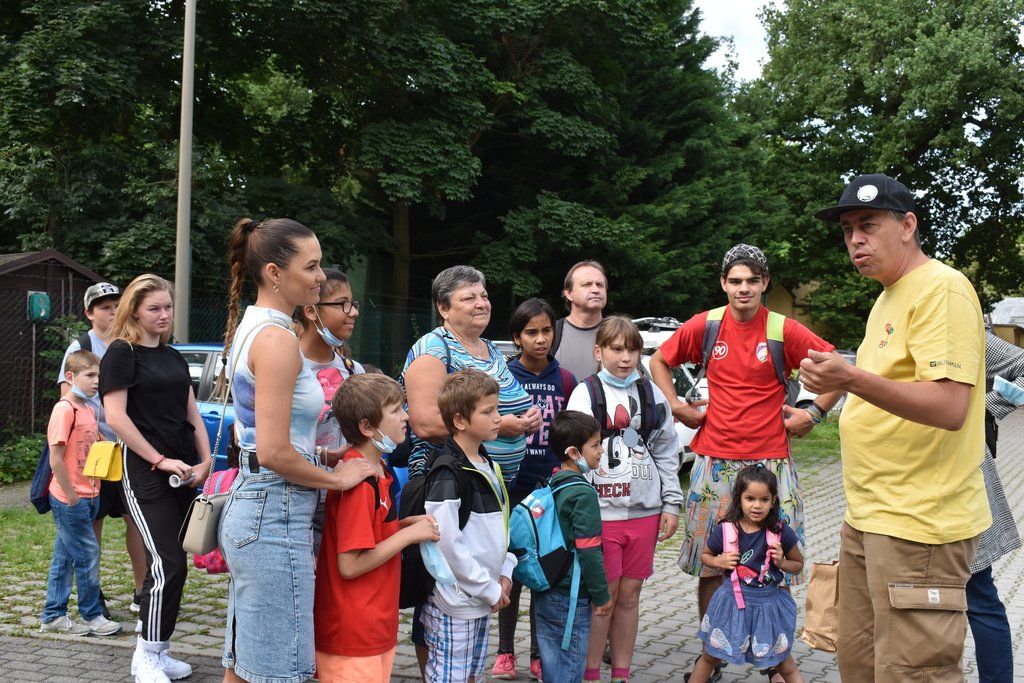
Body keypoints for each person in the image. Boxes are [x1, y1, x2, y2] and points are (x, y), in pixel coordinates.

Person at [801, 173, 990, 682]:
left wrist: (850, 378)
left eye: (868, 225)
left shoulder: (942, 289)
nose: (855, 240)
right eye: (847, 230)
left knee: (911, 673)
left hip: (918, 525)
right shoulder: (889, 296)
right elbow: (874, 377)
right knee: (861, 665)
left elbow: (950, 405)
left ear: (907, 226)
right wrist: (815, 410)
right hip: (870, 515)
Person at [648, 243, 840, 680]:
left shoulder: (783, 329)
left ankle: (773, 659)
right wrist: (674, 404)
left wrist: (814, 413)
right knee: (711, 563)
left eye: (753, 280)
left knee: (775, 561)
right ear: (723, 283)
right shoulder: (706, 325)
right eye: (735, 281)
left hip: (770, 463)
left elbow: (837, 369)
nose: (744, 288)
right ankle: (711, 656)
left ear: (765, 283)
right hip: (714, 462)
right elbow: (659, 361)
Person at [217, 218, 376, 683]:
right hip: (275, 511)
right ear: (274, 273)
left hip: (261, 503)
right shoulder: (277, 339)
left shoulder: (257, 325)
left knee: (243, 666)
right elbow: (273, 452)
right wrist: (337, 478)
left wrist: (325, 458)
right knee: (281, 668)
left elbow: (270, 440)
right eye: (311, 266)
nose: (321, 277)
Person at [401, 265, 541, 672]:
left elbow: (496, 402)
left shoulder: (488, 348)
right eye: (469, 297)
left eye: (483, 295)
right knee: (441, 583)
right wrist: (503, 427)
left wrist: (523, 420)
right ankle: (436, 671)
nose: (481, 303)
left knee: (476, 568)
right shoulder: (433, 349)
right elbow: (426, 423)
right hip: (450, 482)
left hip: (489, 482)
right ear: (444, 308)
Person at [101, 274, 212, 682]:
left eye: (167, 307)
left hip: (184, 472)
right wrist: (159, 459)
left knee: (170, 565)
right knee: (168, 562)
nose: (164, 315)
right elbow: (116, 418)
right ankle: (146, 656)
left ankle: (156, 650)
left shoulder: (173, 356)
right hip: (145, 473)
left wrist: (206, 460)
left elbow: (192, 413)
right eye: (154, 308)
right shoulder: (121, 353)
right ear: (134, 311)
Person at [566, 316, 684, 683]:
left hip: (644, 513)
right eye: (616, 349)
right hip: (601, 514)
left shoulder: (652, 394)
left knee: (630, 595)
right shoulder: (586, 393)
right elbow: (574, 455)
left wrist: (671, 503)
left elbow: (667, 450)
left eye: (633, 350)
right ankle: (590, 674)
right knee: (604, 597)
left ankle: (621, 673)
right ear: (598, 352)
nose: (625, 358)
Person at [313, 374, 440, 683]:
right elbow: (350, 564)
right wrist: (408, 535)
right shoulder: (360, 483)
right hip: (353, 632)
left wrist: (403, 525)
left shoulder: (378, 469)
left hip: (374, 625)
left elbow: (371, 533)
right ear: (367, 427)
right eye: (395, 410)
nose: (406, 416)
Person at [494, 297, 578, 681]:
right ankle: (504, 651)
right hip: (511, 487)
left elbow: (570, 431)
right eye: (531, 332)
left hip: (548, 490)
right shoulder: (504, 376)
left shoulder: (566, 380)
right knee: (510, 567)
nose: (541, 339)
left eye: (546, 331)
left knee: (545, 570)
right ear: (517, 337)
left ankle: (539, 654)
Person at [422, 369, 518, 683]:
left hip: (481, 598)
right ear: (460, 420)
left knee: (471, 675)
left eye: (497, 409)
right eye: (488, 411)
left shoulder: (487, 464)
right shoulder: (449, 473)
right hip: (458, 602)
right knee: (450, 676)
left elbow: (499, 529)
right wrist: (488, 588)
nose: (498, 418)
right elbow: (447, 543)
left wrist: (505, 569)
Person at [58, 282, 147, 615]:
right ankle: (92, 594)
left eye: (115, 306)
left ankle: (142, 591)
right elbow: (68, 400)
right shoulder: (81, 347)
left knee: (135, 520)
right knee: (92, 522)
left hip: (130, 447)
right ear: (89, 313)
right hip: (95, 452)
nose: (111, 312)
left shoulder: (132, 342)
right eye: (104, 307)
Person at [686, 466, 804, 683]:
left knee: (784, 663)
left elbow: (798, 564)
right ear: (739, 499)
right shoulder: (726, 530)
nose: (757, 505)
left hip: (767, 608)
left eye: (764, 499)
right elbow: (705, 556)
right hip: (730, 605)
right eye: (750, 498)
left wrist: (782, 562)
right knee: (710, 655)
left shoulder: (781, 532)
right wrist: (719, 561)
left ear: (773, 501)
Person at [39, 349, 122, 637]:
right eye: (90, 375)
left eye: (99, 375)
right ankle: (91, 615)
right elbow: (56, 459)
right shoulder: (65, 409)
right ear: (70, 377)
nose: (96, 381)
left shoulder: (88, 408)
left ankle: (53, 615)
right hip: (70, 498)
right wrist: (72, 496)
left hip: (90, 495)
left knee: (64, 559)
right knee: (88, 555)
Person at [534, 410, 612, 682]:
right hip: (572, 596)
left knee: (552, 665)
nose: (601, 450)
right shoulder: (582, 493)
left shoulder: (553, 483)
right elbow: (589, 551)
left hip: (547, 591)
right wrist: (601, 595)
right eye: (595, 445)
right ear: (573, 452)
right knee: (569, 669)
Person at [965, 328, 1024, 682]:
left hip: (962, 482)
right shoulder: (889, 319)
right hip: (899, 486)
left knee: (978, 593)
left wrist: (984, 409)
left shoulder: (962, 325)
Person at [294, 267, 365, 555]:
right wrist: (325, 456)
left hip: (345, 497)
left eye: (353, 303)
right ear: (311, 310)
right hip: (301, 498)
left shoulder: (352, 370)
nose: (353, 312)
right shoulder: (289, 366)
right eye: (342, 304)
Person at [551, 261, 608, 381]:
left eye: (600, 285)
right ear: (568, 294)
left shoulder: (619, 333)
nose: (595, 290)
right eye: (587, 284)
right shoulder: (551, 333)